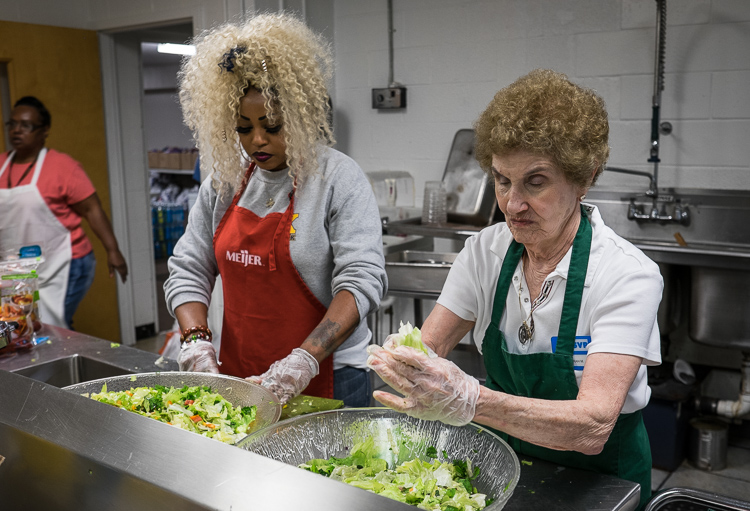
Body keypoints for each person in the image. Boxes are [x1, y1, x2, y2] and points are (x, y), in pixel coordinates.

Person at [367, 69, 662, 510]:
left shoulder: (627, 275)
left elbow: (592, 425)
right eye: (502, 180)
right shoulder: (485, 251)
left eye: (535, 182)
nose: (512, 203)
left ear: (584, 178)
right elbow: (428, 352)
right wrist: (403, 364)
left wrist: (470, 398)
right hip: (504, 468)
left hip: (599, 483)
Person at [165, 13, 387, 408]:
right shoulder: (225, 183)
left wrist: (303, 360)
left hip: (327, 376)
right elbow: (189, 268)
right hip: (239, 372)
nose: (257, 140)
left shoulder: (337, 178)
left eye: (273, 125)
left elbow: (361, 280)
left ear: (302, 116)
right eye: (243, 128)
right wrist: (196, 342)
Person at [0, 96, 128, 329]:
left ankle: (63, 363)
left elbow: (92, 209)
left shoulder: (62, 166)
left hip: (65, 263)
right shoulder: (1, 165)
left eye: (26, 125)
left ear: (44, 130)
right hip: (18, 269)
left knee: (51, 326)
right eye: (12, 124)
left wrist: (113, 250)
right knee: (21, 326)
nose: (17, 131)